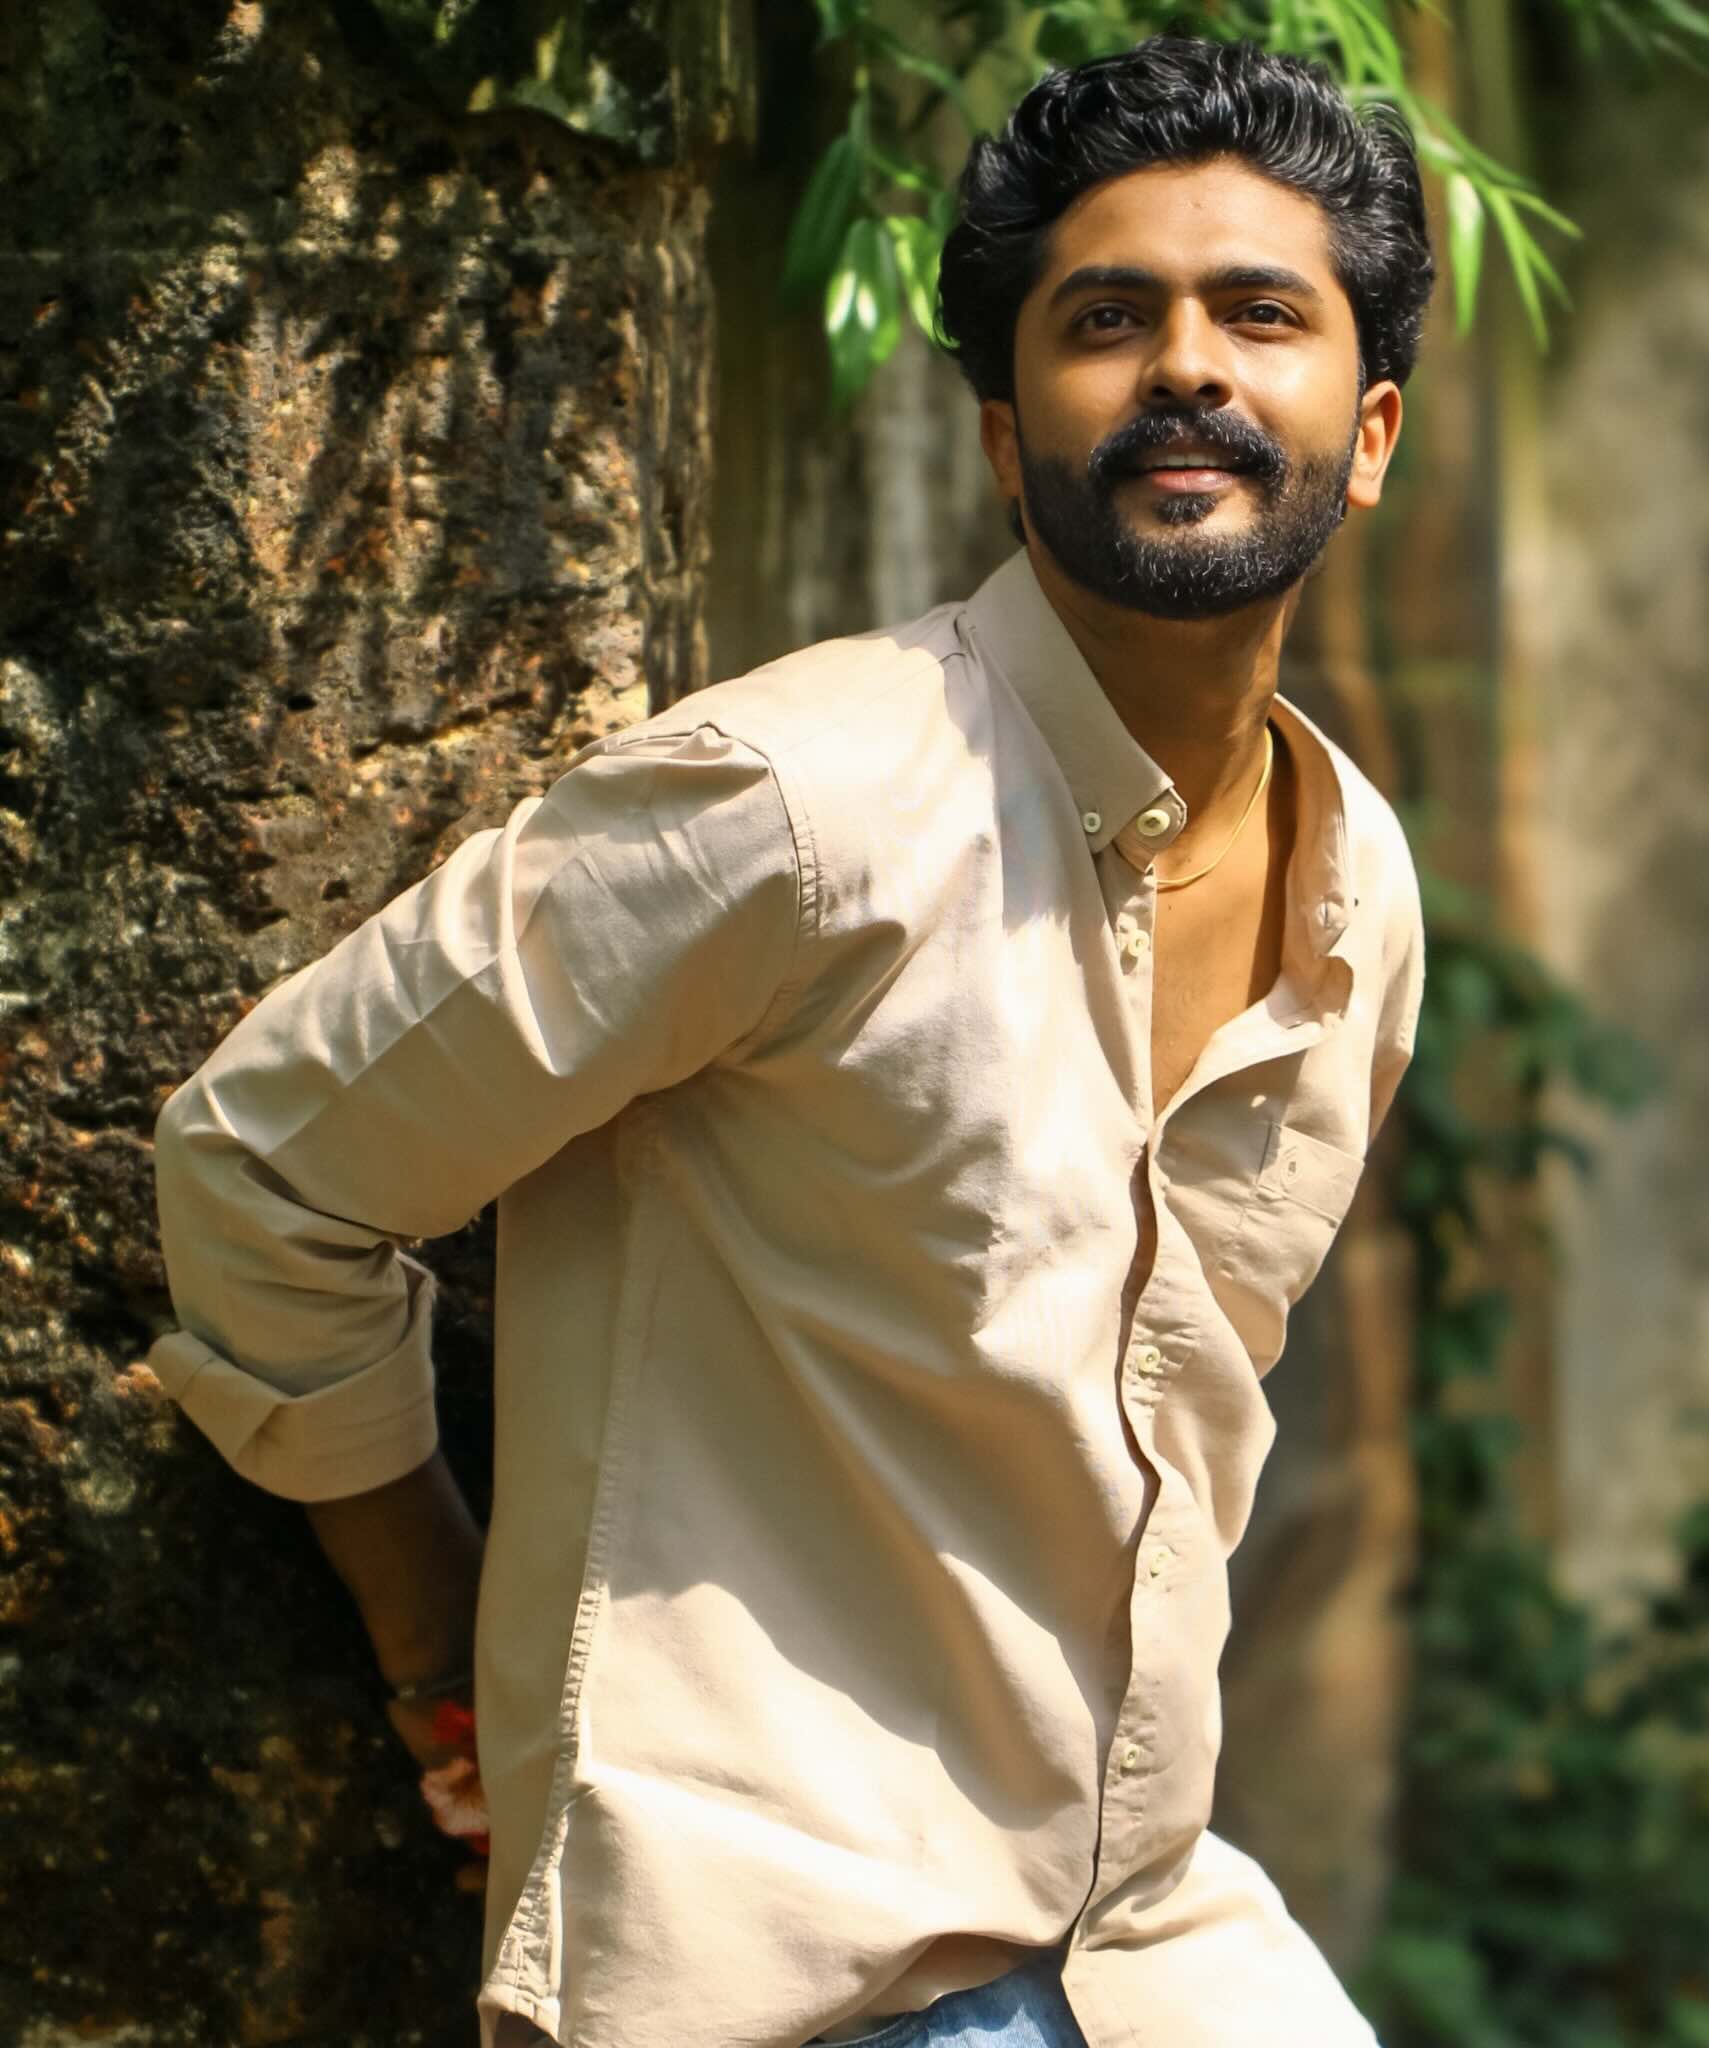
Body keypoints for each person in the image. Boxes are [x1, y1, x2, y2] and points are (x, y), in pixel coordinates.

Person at [148, 33, 1433, 2048]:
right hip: (791, 1964)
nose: (1185, 364)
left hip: (1155, 1934)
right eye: (1108, 320)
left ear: (1363, 434)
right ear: (1005, 441)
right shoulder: (800, 806)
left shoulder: (1355, 891)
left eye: (1255, 314)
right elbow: (263, 1164)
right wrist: (438, 1640)